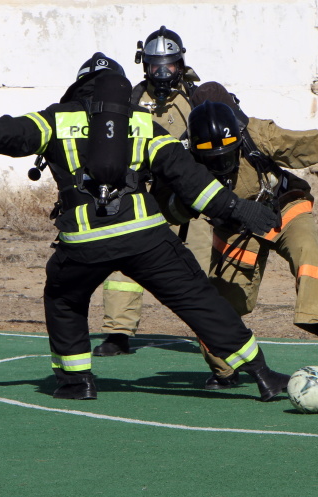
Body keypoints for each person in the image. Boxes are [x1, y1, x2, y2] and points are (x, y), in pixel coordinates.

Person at [0, 52, 290, 403]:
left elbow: (8, 133)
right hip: (146, 238)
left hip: (82, 242)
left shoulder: (55, 120)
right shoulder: (144, 125)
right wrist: (240, 210)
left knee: (64, 300)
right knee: (197, 300)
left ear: (77, 87)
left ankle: (78, 382)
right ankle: (262, 374)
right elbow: (192, 182)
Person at [168, 83, 318, 389]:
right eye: (211, 158)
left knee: (308, 254)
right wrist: (183, 202)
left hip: (283, 207)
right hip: (236, 228)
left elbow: (315, 145)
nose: (220, 162)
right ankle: (224, 370)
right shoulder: (182, 156)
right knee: (219, 306)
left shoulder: (257, 133)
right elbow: (166, 207)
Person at [94, 26, 212, 357]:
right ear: (143, 65)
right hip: (145, 194)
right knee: (125, 257)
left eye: (169, 66)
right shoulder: (131, 99)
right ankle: (118, 332)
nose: (162, 73)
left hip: (192, 194)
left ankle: (210, 334)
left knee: (201, 263)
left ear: (180, 63)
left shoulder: (196, 98)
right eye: (155, 66)